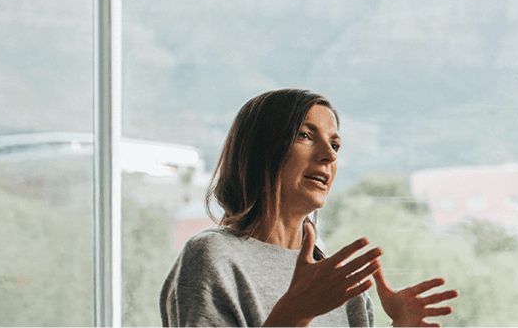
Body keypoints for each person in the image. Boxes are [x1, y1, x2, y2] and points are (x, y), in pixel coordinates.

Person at [162, 88, 460, 328]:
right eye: (305, 135)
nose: (329, 155)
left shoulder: (335, 282)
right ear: (261, 150)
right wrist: (295, 313)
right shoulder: (213, 256)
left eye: (335, 144)